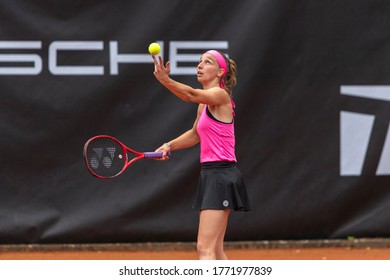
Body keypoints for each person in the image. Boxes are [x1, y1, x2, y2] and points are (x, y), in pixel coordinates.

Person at [152, 50, 251, 260]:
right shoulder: (203, 104)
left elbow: (190, 94)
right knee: (215, 250)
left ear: (219, 72)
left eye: (207, 62)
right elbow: (195, 134)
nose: (200, 65)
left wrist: (165, 80)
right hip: (210, 174)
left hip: (221, 175)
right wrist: (169, 145)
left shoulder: (220, 95)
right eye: (199, 61)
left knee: (204, 249)